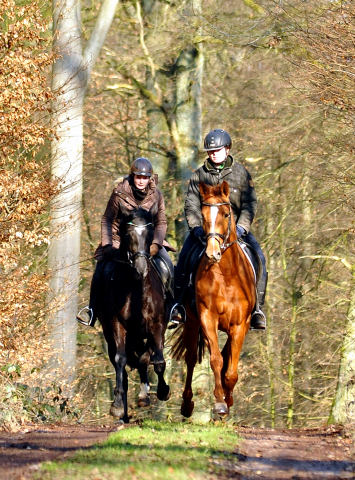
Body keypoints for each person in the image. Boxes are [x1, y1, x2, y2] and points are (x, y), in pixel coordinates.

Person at [170, 128, 267, 330]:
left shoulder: (241, 173)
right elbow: (191, 205)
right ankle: (178, 305)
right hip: (205, 231)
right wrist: (197, 229)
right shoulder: (199, 176)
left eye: (218, 150)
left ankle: (257, 309)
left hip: (235, 231)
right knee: (184, 259)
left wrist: (242, 227)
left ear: (228, 149)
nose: (214, 153)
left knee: (260, 257)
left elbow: (250, 203)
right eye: (210, 150)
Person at [77, 157, 174, 326]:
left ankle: (174, 308)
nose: (141, 181)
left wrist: (157, 244)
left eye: (145, 178)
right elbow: (107, 219)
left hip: (148, 244)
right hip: (119, 243)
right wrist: (107, 244)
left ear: (150, 178)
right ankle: (91, 311)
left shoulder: (157, 196)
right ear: (132, 176)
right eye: (138, 177)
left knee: (168, 266)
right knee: (101, 270)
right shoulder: (119, 194)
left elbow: (161, 222)